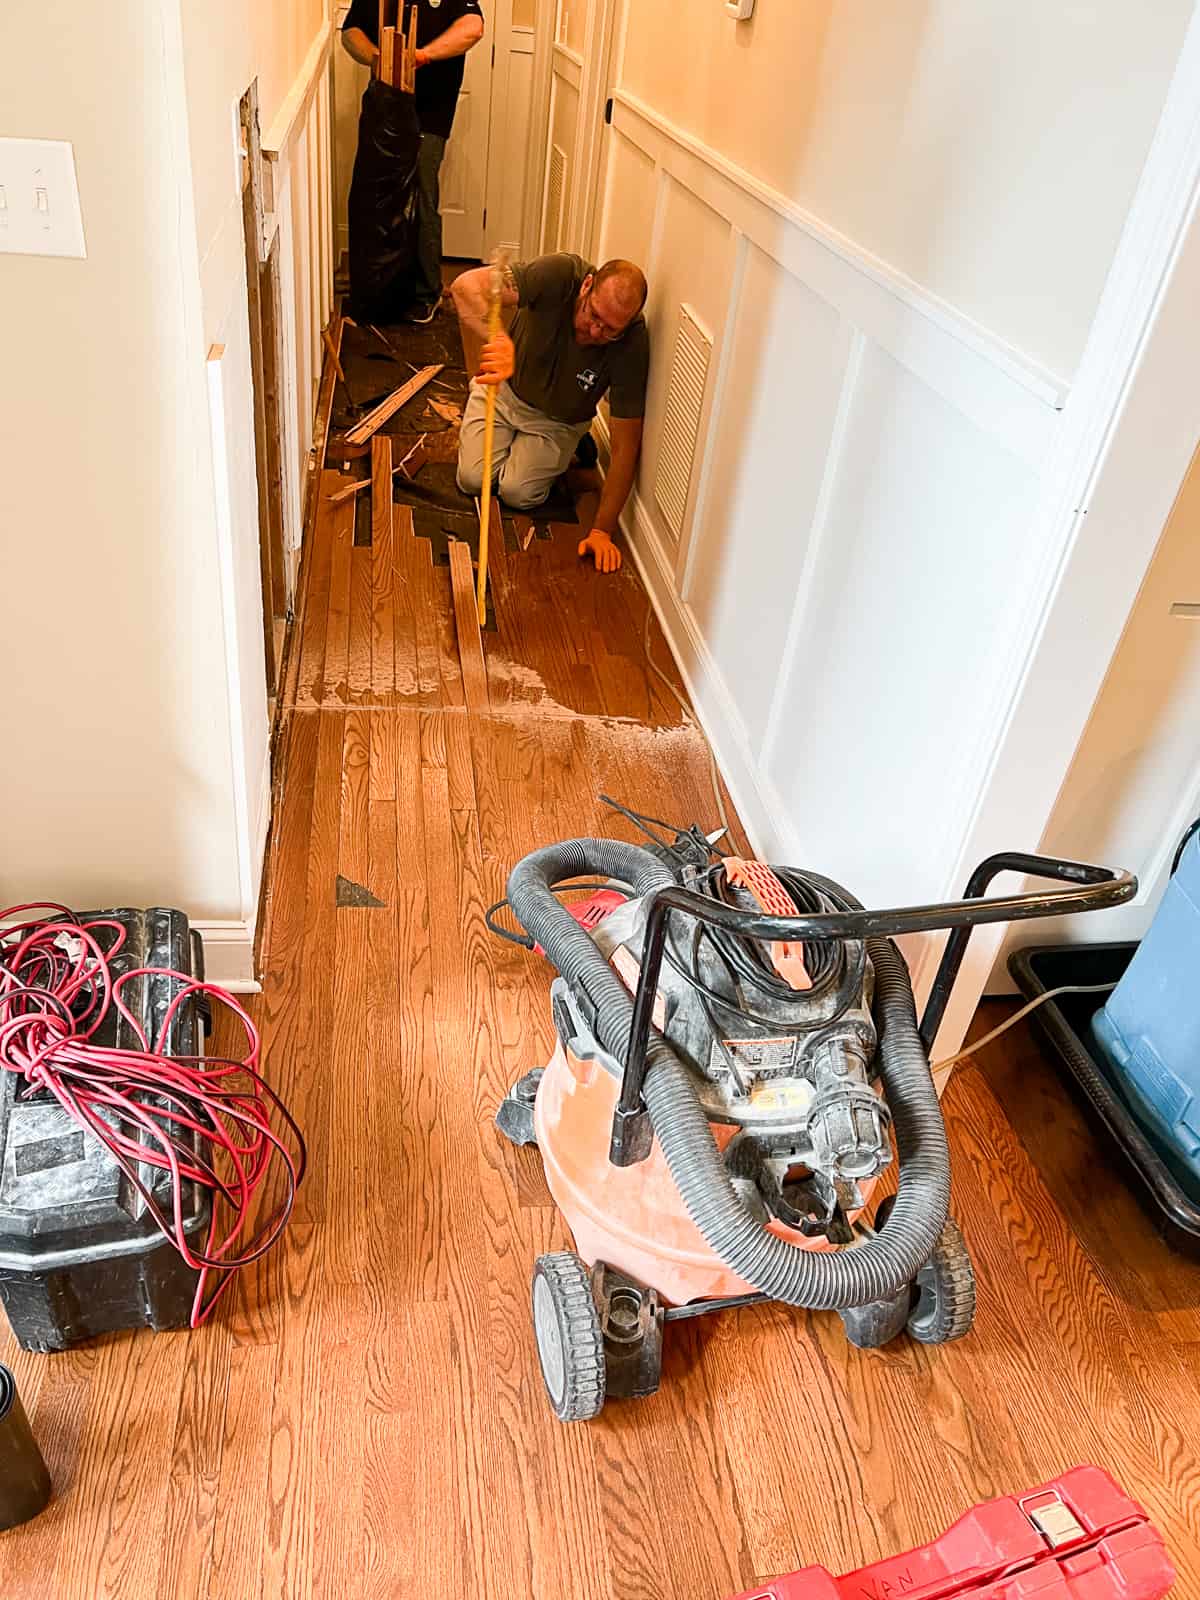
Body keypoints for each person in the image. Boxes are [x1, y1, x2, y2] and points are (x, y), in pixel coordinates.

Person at [452, 253, 649, 573]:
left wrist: (602, 530)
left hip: (558, 422)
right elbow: (464, 286)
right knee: (473, 479)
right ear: (587, 286)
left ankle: (568, 444)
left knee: (519, 493)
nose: (597, 332)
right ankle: (499, 419)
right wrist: (499, 339)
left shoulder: (633, 343)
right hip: (505, 395)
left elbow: (626, 446)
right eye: (593, 315)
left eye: (611, 329)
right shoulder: (558, 275)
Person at [342, 0, 485, 323]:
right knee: (381, 195)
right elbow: (350, 32)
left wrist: (423, 55)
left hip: (430, 112)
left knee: (421, 193)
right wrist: (379, 59)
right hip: (386, 105)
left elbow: (473, 28)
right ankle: (389, 288)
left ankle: (427, 292)